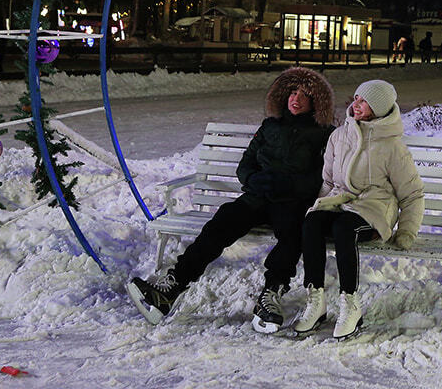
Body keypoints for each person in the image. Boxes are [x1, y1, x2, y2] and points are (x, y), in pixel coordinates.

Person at [127, 67, 336, 332]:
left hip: (291, 202)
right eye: (293, 92)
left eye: (305, 95)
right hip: (258, 197)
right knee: (223, 221)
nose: (296, 99)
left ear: (316, 101)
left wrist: (288, 186)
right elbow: (245, 165)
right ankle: (172, 287)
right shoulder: (270, 126)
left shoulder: (324, 133)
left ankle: (271, 295)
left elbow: (324, 175)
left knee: (292, 234)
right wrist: (254, 180)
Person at [292, 80, 424, 339]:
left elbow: (412, 193)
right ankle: (316, 299)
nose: (356, 104)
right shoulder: (339, 136)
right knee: (311, 223)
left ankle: (350, 303)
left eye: (363, 101)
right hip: (341, 203)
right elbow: (328, 181)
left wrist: (406, 231)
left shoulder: (392, 146)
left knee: (344, 228)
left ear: (378, 108)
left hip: (374, 210)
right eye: (356, 98)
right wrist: (321, 208)